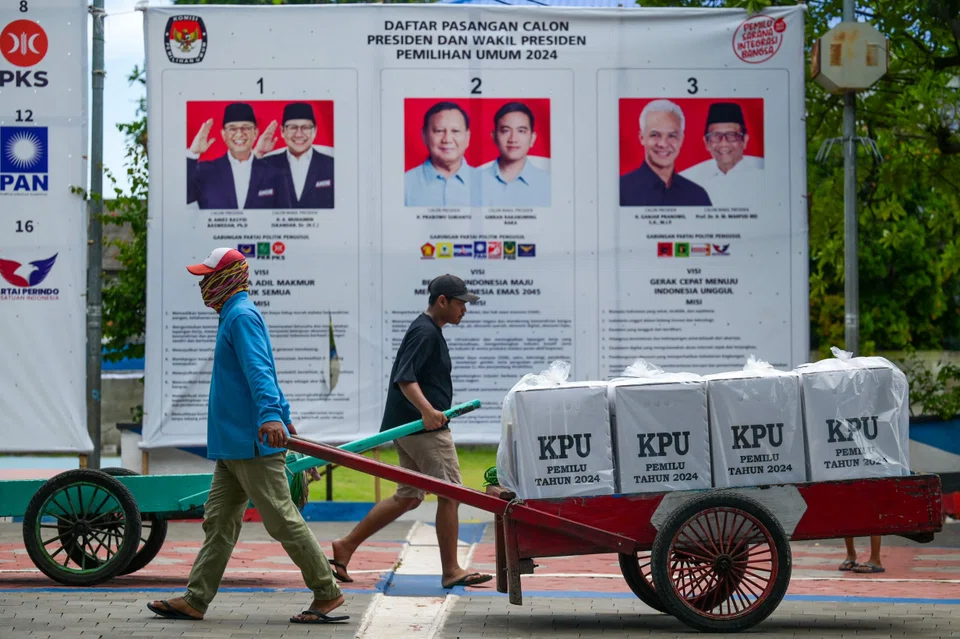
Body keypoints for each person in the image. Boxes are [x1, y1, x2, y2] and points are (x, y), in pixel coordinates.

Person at [146, 247, 348, 626]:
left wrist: (273, 415)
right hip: (233, 445)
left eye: (208, 277)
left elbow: (260, 370)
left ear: (229, 277)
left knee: (281, 520)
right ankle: (196, 598)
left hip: (251, 445)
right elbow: (263, 369)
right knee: (219, 520)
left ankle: (327, 592)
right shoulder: (232, 315)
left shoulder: (239, 315)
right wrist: (283, 417)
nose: (203, 284)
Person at [328, 274, 493, 590]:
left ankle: (346, 545)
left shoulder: (428, 330)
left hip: (409, 428)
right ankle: (451, 570)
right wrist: (428, 411)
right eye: (460, 303)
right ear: (442, 301)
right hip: (423, 430)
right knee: (450, 494)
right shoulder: (425, 332)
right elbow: (405, 378)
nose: (464, 310)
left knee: (408, 497)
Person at [187, 102, 290, 210]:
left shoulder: (274, 173)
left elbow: (283, 218)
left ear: (255, 133)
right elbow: (181, 196)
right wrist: (193, 152)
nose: (240, 133)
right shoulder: (204, 171)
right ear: (223, 135)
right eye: (232, 128)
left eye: (246, 127)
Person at [619, 99, 712, 207]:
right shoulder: (619, 191)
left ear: (681, 139)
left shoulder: (697, 196)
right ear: (642, 138)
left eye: (672, 135)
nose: (663, 144)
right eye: (655, 135)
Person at [679, 102, 764, 207]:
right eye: (716, 136)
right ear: (707, 143)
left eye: (732, 135)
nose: (723, 143)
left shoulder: (764, 172)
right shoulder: (689, 179)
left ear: (744, 141)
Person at [258, 102, 335, 209]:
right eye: (292, 127)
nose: (299, 134)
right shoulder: (267, 164)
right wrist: (258, 153)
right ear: (282, 131)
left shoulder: (332, 165)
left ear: (315, 131)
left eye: (306, 127)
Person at [405, 102, 478, 207]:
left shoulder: (487, 184)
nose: (447, 139)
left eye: (455, 131)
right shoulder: (404, 184)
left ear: (467, 137)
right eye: (439, 131)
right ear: (424, 135)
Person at [478, 101, 551, 208]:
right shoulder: (475, 182)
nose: (513, 139)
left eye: (521, 131)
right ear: (494, 137)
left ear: (532, 138)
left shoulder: (548, 183)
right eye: (506, 131)